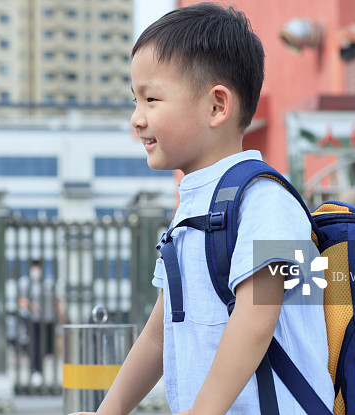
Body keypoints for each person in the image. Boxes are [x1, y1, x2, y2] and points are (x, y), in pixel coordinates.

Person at [72, 3, 333, 414]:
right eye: (135, 100)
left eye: (151, 99)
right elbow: (159, 336)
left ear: (217, 106)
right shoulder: (191, 211)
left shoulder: (268, 200)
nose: (136, 119)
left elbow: (257, 316)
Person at [17, 260, 58, 386]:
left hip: (47, 319)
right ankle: (36, 370)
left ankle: (42, 369)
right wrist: (31, 305)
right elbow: (20, 300)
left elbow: (56, 299)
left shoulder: (48, 282)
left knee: (46, 346)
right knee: (35, 345)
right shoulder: (25, 283)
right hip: (33, 319)